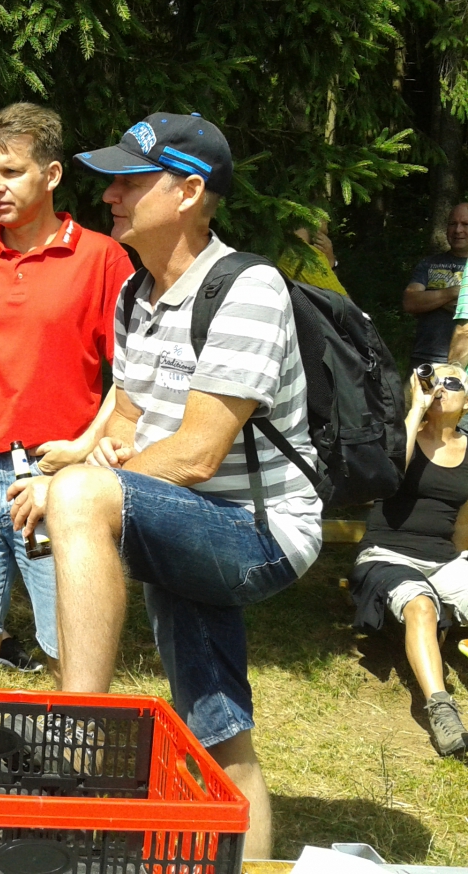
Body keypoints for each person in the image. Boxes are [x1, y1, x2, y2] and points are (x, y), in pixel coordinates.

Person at [26, 112, 322, 858]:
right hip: (183, 521)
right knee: (219, 736)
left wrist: (78, 484)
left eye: (130, 181)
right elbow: (127, 423)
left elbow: (195, 454)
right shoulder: (136, 295)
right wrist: (90, 454)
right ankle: (251, 865)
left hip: (257, 534)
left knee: (80, 495)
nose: (110, 196)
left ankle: (79, 736)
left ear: (189, 192)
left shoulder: (247, 287)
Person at [0, 102, 134, 688]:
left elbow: (132, 377)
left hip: (55, 480)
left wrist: (85, 450)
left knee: (71, 654)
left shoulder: (102, 258)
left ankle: (75, 751)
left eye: (11, 172)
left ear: (52, 174)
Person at [350, 364, 468, 757]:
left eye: (453, 382)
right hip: (387, 554)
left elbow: (464, 524)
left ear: (467, 401)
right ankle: (442, 710)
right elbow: (386, 474)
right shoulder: (403, 435)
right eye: (435, 381)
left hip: (443, 560)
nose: (442, 388)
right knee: (420, 606)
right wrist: (416, 407)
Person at [404, 202, 468, 370]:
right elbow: (411, 301)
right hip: (425, 358)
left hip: (463, 361)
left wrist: (432, 297)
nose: (458, 230)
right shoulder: (429, 264)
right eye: (453, 224)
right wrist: (455, 292)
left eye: (465, 224)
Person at [277, 216, 348, 296]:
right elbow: (344, 302)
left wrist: (331, 263)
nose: (328, 219)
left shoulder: (287, 250)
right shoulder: (305, 257)